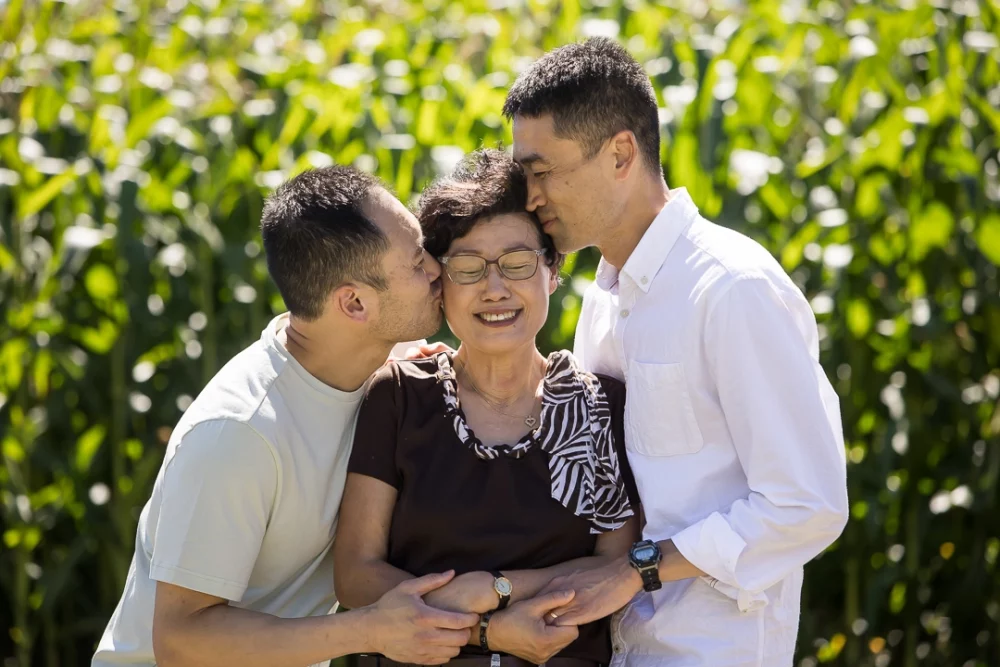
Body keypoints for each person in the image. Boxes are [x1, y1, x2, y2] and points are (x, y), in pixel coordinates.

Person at [503, 38, 849, 666]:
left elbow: (808, 505)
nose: (530, 197)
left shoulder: (732, 288)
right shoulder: (604, 297)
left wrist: (639, 570)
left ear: (620, 153)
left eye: (542, 172)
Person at [93, 166, 481, 667]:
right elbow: (181, 638)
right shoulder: (238, 434)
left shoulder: (375, 369)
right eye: (414, 262)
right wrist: (369, 629)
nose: (435, 267)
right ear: (355, 303)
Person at [334, 148, 641, 667]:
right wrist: (489, 629)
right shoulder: (399, 395)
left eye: (518, 264)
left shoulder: (600, 408)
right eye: (468, 268)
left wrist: (493, 587)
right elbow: (358, 577)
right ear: (439, 285)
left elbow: (614, 572)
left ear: (552, 273)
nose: (495, 289)